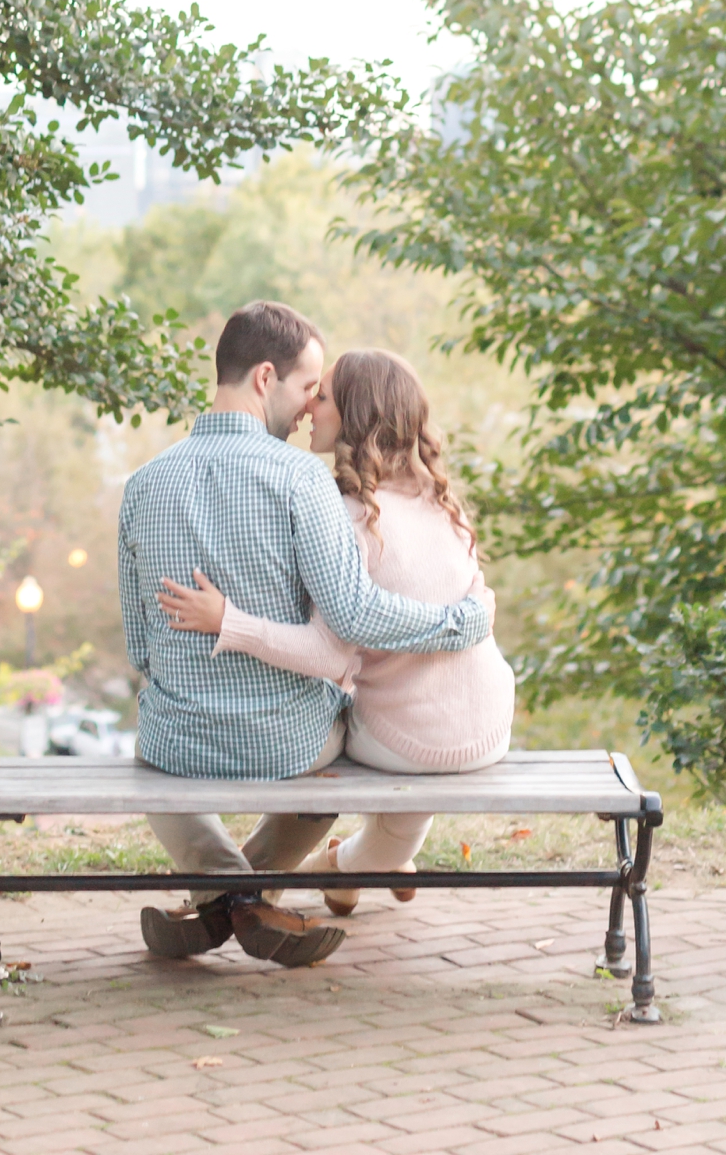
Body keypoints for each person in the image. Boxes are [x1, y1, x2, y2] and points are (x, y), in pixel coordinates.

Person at [117, 301, 495, 968]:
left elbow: (140, 649)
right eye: (306, 388)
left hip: (179, 739)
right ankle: (247, 898)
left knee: (154, 747)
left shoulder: (142, 486)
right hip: (292, 743)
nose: (308, 408)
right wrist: (457, 622)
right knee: (328, 774)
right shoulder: (303, 482)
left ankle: (218, 894)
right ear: (266, 378)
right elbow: (351, 615)